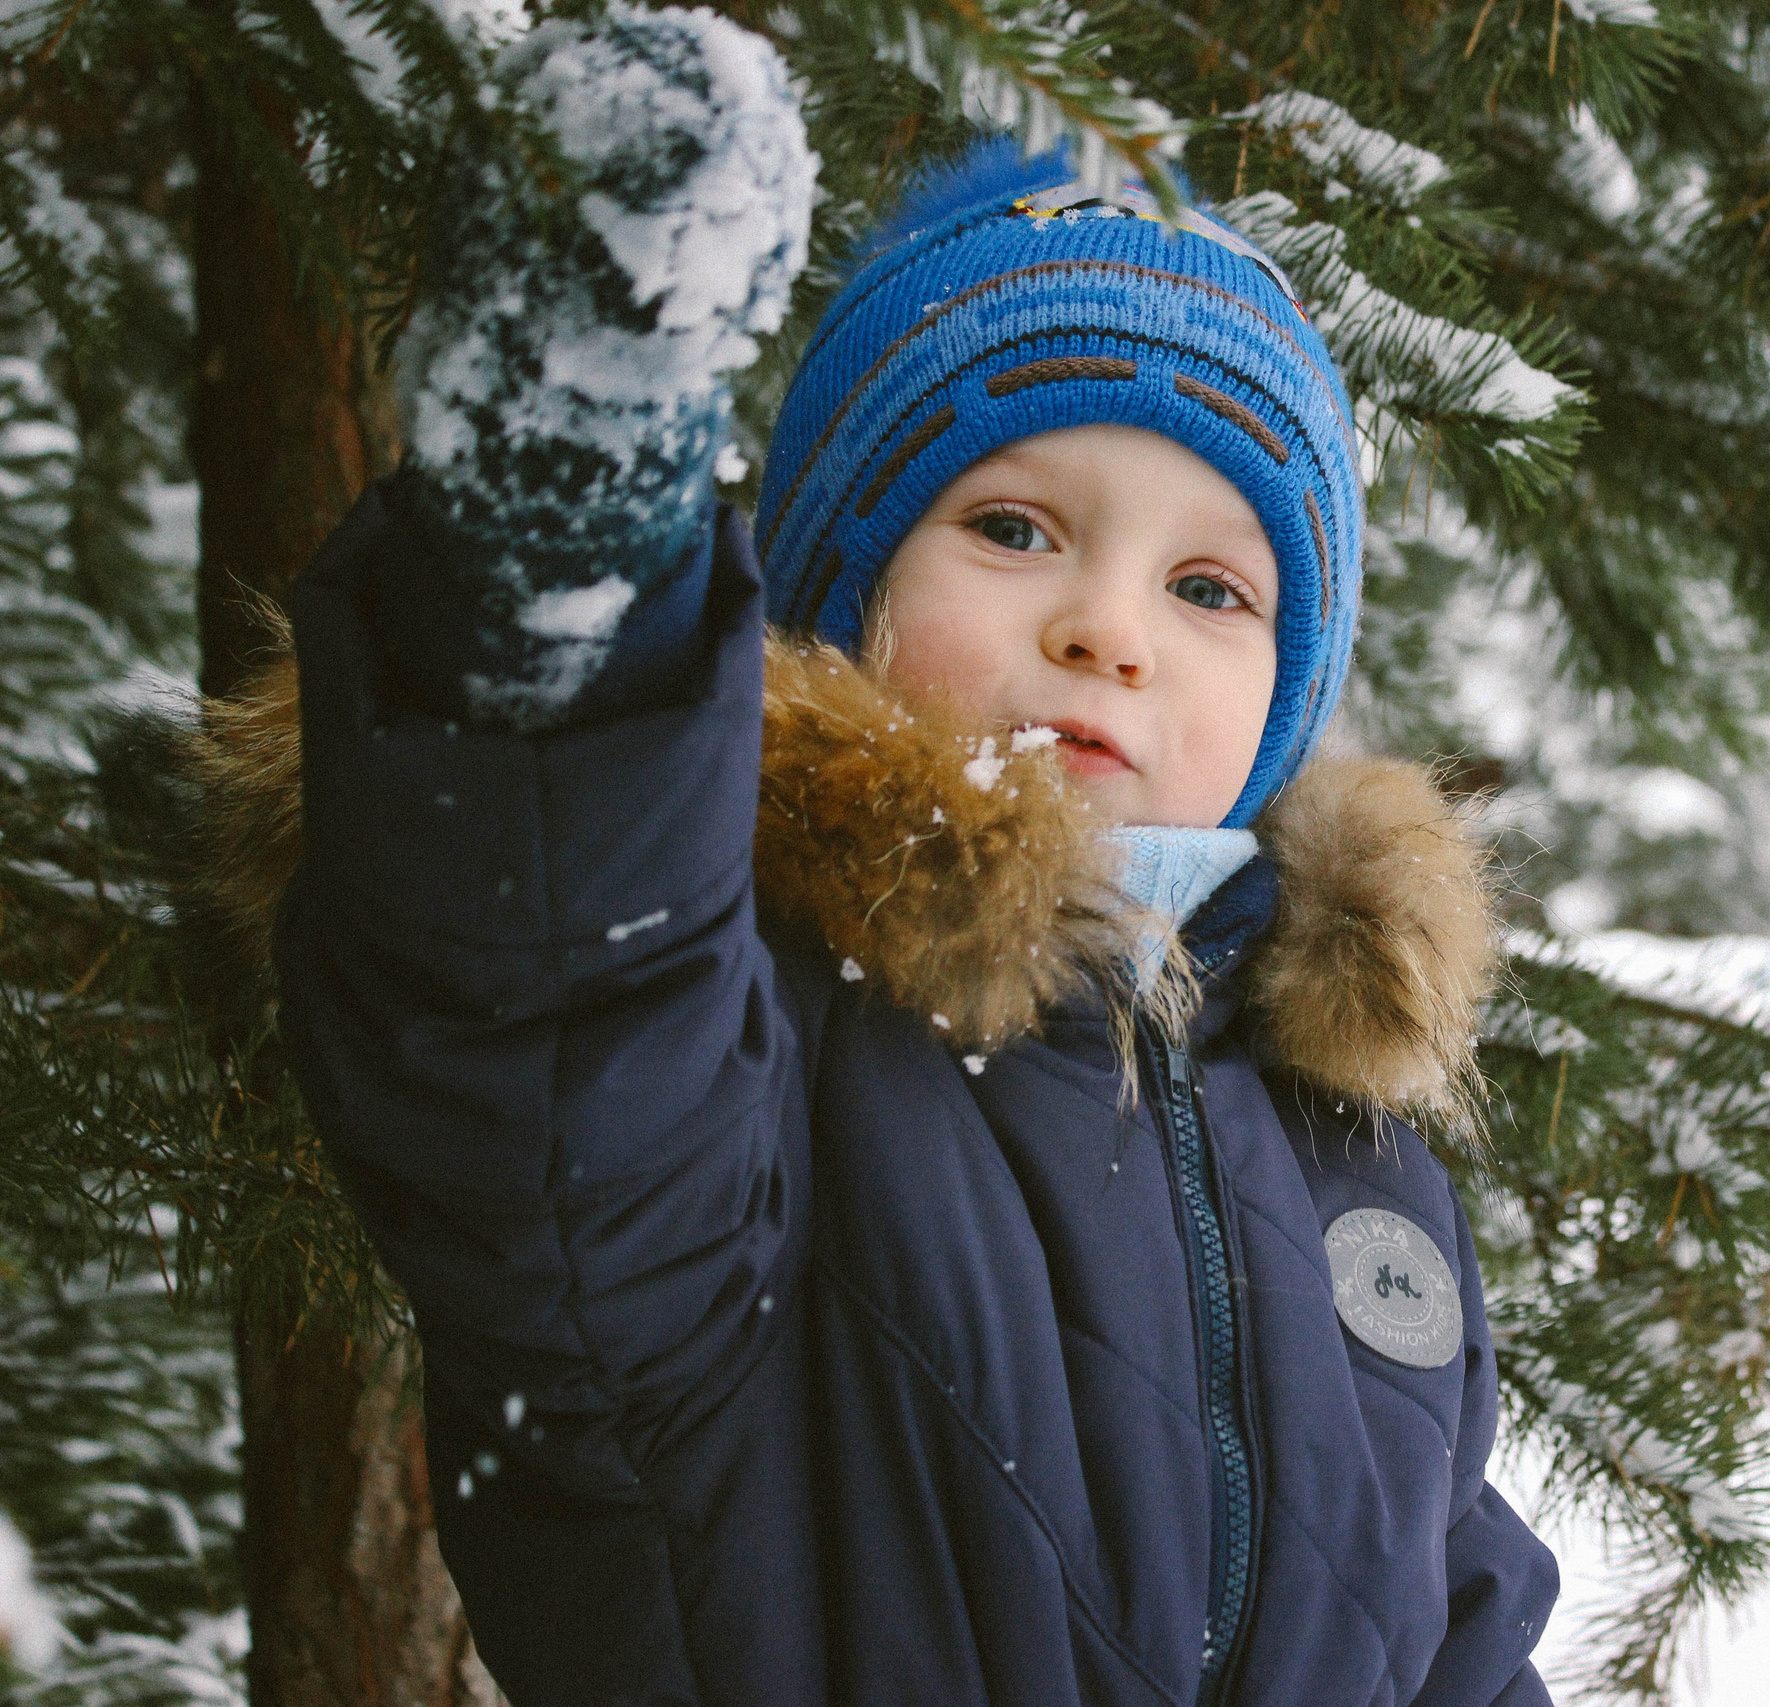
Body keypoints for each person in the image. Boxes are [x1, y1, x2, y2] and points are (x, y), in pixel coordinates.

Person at [198, 10, 1557, 1704]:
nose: (1109, 631)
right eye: (1012, 527)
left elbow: (1458, 1632)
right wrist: (568, 572)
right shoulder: (731, 1029)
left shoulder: (1337, 1124)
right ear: (839, 585)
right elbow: (547, 1040)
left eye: (1212, 588)